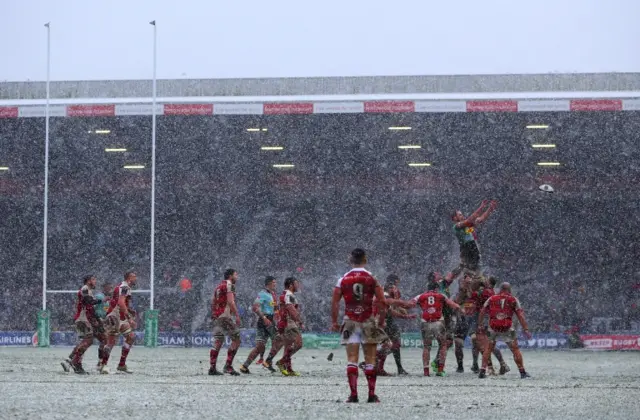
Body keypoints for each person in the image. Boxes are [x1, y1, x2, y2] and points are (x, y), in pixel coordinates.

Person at [331, 248, 388, 403]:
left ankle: (353, 395)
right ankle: (371, 395)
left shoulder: (343, 279)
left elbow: (335, 302)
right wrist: (381, 320)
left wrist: (334, 322)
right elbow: (382, 302)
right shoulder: (371, 278)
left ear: (351, 260)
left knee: (352, 358)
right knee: (370, 359)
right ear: (365, 259)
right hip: (367, 320)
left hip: (350, 320)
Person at [477, 282, 532, 379]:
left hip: (493, 327)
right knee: (515, 349)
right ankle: (522, 372)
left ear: (500, 289)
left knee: (488, 349)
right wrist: (526, 329)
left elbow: (482, 311)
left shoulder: (492, 298)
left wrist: (480, 324)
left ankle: (482, 370)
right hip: (507, 327)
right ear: (509, 289)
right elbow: (520, 315)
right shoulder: (513, 299)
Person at [411, 276, 461, 376]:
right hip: (438, 322)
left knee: (426, 347)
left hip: (425, 322)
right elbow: (454, 305)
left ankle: (426, 372)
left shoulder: (420, 296)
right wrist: (459, 310)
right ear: (436, 288)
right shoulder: (441, 295)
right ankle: (440, 370)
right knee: (443, 345)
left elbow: (409, 304)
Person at [372, 275, 415, 376]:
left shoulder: (383, 290)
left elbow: (390, 309)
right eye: (395, 286)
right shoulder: (385, 293)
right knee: (390, 345)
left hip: (384, 320)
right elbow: (393, 303)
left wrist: (406, 316)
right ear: (394, 283)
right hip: (381, 321)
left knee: (391, 344)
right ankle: (372, 363)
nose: (396, 289)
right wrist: (407, 304)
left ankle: (379, 367)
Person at [61, 275, 104, 374]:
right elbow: (88, 301)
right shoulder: (85, 288)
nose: (95, 282)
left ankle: (72, 362)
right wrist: (101, 300)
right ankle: (72, 361)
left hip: (85, 318)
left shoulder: (88, 290)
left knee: (87, 341)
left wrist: (97, 319)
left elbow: (89, 307)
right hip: (83, 319)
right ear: (88, 281)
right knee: (88, 340)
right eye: (94, 279)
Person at [239, 276, 283, 374]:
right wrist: (264, 318)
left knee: (260, 346)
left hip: (269, 320)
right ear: (268, 284)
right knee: (279, 340)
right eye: (273, 282)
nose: (275, 284)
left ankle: (245, 366)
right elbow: (255, 307)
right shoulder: (262, 294)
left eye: (275, 282)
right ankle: (268, 360)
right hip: (265, 320)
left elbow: (275, 309)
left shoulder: (273, 294)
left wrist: (277, 316)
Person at [451, 199, 497, 282]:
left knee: (473, 268)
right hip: (467, 248)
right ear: (454, 218)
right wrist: (481, 207)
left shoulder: (468, 227)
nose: (462, 216)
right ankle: (450, 280)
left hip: (472, 247)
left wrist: (490, 208)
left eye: (462, 215)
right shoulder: (456, 226)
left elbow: (480, 219)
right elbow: (470, 220)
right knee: (467, 268)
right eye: (460, 215)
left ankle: (472, 279)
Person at [101, 272, 138, 374]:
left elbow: (118, 301)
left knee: (131, 336)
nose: (136, 279)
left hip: (120, 317)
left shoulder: (123, 287)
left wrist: (129, 310)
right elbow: (121, 303)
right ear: (129, 278)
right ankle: (103, 365)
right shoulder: (125, 287)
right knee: (111, 342)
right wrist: (129, 318)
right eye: (134, 277)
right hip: (114, 317)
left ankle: (121, 365)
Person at [209, 269, 242, 376]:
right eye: (236, 275)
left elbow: (213, 302)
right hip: (226, 316)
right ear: (230, 276)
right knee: (236, 339)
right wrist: (237, 316)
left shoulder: (218, 287)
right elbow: (230, 301)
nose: (237, 277)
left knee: (218, 341)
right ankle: (228, 366)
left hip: (218, 316)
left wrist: (214, 313)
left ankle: (212, 367)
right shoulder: (229, 285)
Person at [475, 276, 510, 375]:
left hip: (485, 319)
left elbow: (476, 299)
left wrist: (480, 323)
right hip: (489, 318)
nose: (484, 281)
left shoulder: (486, 292)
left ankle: (493, 367)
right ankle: (499, 365)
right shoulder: (492, 292)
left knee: (485, 345)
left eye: (486, 280)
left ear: (489, 283)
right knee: (488, 344)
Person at [276, 277, 304, 376]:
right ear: (291, 285)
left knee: (288, 346)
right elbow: (290, 309)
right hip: (288, 323)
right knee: (298, 344)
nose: (298, 285)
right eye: (296, 283)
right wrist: (299, 321)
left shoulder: (286, 294)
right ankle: (281, 362)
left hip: (284, 322)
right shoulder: (288, 295)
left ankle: (288, 369)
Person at [93, 282, 112, 372]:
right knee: (104, 341)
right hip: (97, 321)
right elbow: (92, 307)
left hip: (103, 322)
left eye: (111, 287)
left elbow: (106, 310)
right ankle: (101, 363)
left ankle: (100, 362)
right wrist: (96, 319)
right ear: (104, 287)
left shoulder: (108, 299)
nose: (110, 289)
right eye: (108, 287)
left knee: (104, 341)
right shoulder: (99, 296)